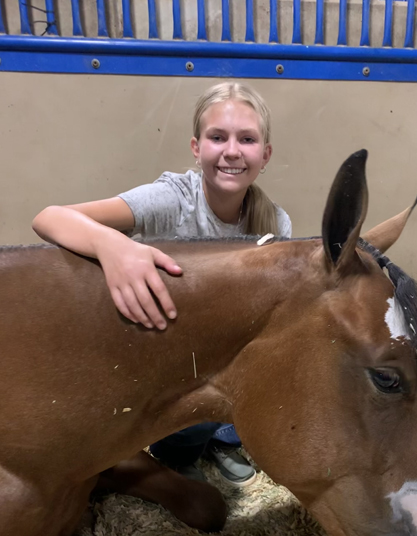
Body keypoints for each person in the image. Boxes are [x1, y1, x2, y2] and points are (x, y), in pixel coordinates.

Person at [32, 81, 292, 488]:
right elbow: (49, 218)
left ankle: (223, 440)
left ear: (266, 154)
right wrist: (111, 246)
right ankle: (179, 452)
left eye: (247, 139)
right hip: (167, 356)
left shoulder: (275, 223)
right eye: (217, 137)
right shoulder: (172, 200)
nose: (231, 151)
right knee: (188, 424)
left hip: (225, 355)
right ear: (196, 147)